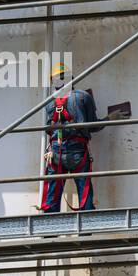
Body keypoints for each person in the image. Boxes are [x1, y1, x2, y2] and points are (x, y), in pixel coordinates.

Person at [39, 62, 102, 212]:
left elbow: (49, 129)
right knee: (84, 192)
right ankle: (85, 231)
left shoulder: (49, 102)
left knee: (52, 196)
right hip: (78, 153)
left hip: (55, 154)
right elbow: (93, 126)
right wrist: (110, 119)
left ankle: (49, 232)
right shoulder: (83, 97)